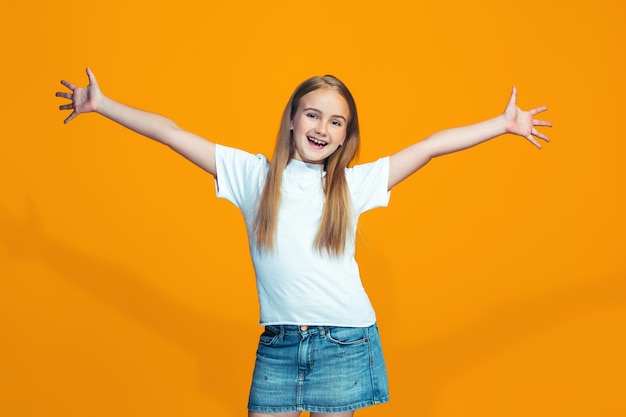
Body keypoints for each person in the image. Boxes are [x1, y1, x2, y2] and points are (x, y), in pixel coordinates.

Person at [56, 68, 551, 417]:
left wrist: (501, 125)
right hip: (278, 342)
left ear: (344, 137)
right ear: (292, 118)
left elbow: (427, 148)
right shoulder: (254, 178)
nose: (322, 128)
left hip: (343, 341)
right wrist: (102, 105)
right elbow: (171, 133)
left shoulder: (351, 187)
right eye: (312, 115)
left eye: (335, 122)